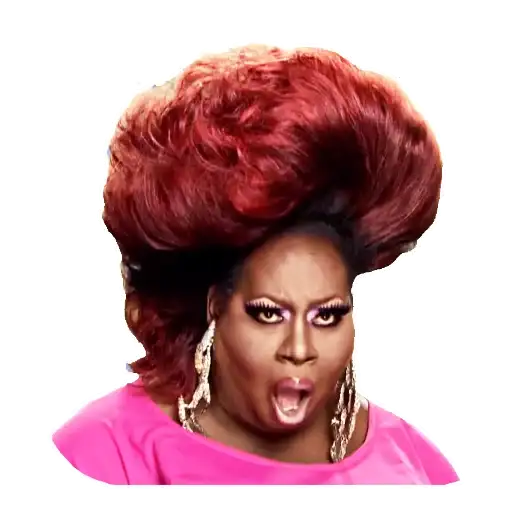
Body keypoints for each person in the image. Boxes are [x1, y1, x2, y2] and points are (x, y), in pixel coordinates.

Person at [52, 45, 459, 485]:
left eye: (327, 315)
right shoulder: (104, 455)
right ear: (215, 306)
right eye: (268, 313)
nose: (299, 349)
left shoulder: (414, 466)